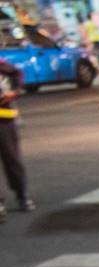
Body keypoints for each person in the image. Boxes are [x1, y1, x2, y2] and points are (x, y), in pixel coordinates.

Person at [0, 57, 34, 224]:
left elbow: (17, 74)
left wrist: (14, 92)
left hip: (4, 120)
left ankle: (22, 195)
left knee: (12, 160)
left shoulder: (2, 65)